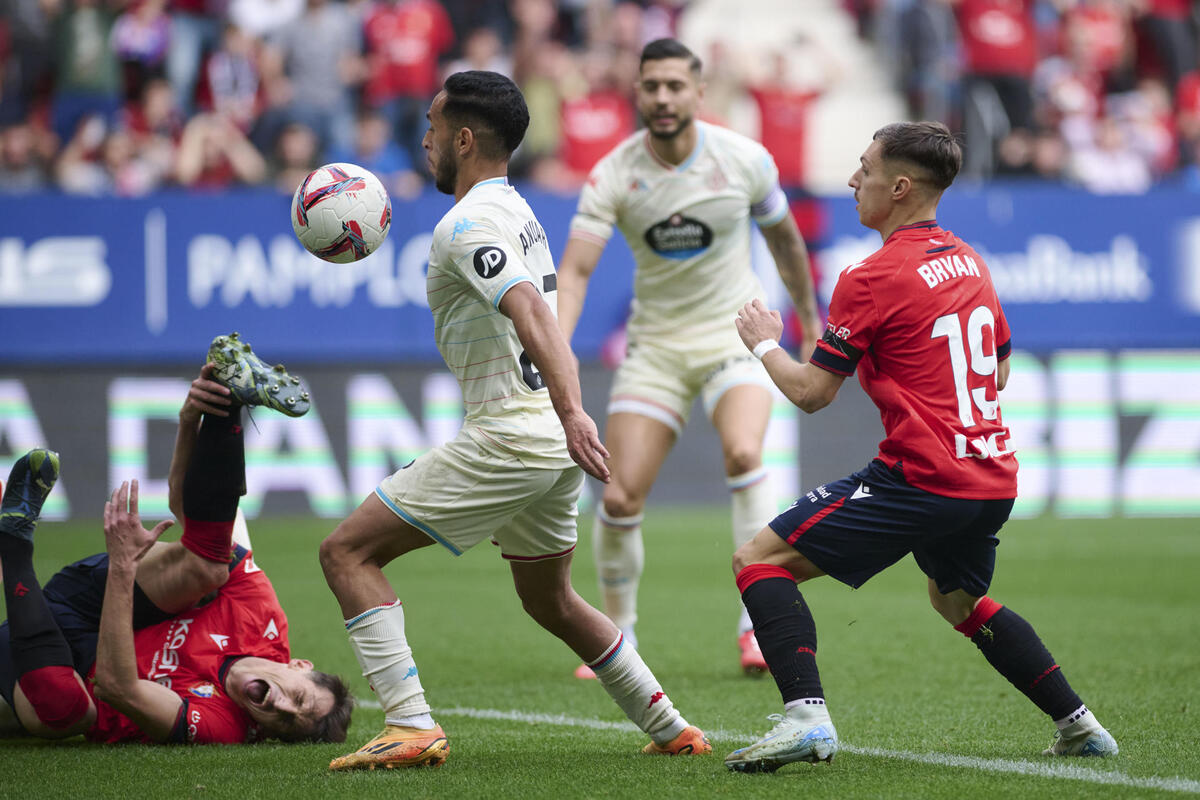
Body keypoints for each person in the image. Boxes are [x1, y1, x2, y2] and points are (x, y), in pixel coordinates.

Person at [318, 70, 711, 771]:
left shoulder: (465, 224)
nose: (426, 139)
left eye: (434, 126)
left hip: (515, 434)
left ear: (464, 138)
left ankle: (409, 724)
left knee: (345, 553)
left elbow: (531, 310)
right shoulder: (515, 210)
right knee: (551, 599)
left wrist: (573, 412)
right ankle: (670, 724)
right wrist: (568, 421)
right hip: (547, 443)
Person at [722, 121, 1118, 773]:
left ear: (899, 187)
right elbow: (1000, 369)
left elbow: (814, 393)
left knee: (758, 559)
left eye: (865, 169)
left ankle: (805, 720)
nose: (854, 181)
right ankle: (1079, 725)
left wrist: (764, 340)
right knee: (955, 599)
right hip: (993, 476)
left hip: (924, 477)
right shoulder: (970, 260)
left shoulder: (871, 276)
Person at [555, 38, 823, 677]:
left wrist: (810, 321)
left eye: (676, 86)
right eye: (653, 86)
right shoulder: (614, 172)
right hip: (656, 349)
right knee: (619, 499)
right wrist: (556, 349)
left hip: (737, 336)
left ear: (699, 93)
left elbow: (786, 242)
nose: (664, 97)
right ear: (638, 92)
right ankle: (617, 637)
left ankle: (755, 627)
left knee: (745, 453)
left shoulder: (743, 160)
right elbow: (576, 270)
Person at [0, 336, 353, 744]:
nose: (283, 707)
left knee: (63, 711)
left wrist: (122, 565)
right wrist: (192, 422)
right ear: (298, 665)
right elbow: (195, 520)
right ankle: (228, 395)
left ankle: (13, 541)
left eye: (288, 723)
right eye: (300, 700)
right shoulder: (262, 617)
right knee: (209, 566)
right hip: (91, 599)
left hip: (72, 663)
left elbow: (117, 687)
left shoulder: (223, 725)